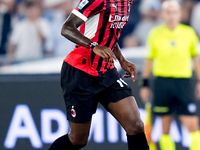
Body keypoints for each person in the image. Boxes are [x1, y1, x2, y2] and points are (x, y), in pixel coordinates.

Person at [49, 0, 149, 150]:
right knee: (78, 140)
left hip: (106, 72)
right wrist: (93, 46)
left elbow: (109, 34)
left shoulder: (127, 2)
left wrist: (121, 60)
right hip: (80, 72)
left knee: (135, 125)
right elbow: (67, 28)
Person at [140, 1, 200, 150]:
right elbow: (149, 60)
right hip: (162, 82)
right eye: (168, 12)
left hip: (183, 82)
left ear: (179, 14)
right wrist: (145, 85)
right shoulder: (155, 34)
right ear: (163, 14)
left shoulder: (188, 33)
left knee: (192, 124)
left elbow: (195, 59)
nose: (171, 16)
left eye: (174, 12)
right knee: (165, 126)